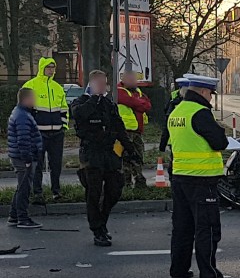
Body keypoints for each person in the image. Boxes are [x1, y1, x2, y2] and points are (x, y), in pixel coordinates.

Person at [167, 75, 232, 278]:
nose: (211, 99)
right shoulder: (200, 113)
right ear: (203, 92)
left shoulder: (177, 111)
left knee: (182, 227)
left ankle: (178, 269)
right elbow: (219, 142)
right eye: (211, 94)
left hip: (180, 177)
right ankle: (209, 274)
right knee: (207, 228)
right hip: (202, 180)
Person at [71, 70, 141, 247]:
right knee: (93, 193)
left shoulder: (108, 104)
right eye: (100, 84)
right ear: (92, 84)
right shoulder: (81, 102)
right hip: (91, 153)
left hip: (109, 153)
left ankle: (101, 222)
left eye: (105, 83)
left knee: (115, 188)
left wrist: (130, 149)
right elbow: (80, 115)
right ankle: (98, 230)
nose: (104, 87)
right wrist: (94, 97)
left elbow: (119, 127)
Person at [22, 57, 68, 203]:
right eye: (48, 67)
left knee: (56, 164)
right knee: (37, 164)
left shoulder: (58, 87)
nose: (51, 70)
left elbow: (64, 109)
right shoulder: (30, 86)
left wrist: (63, 127)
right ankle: (37, 193)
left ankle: (56, 192)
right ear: (42, 68)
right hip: (38, 134)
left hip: (56, 134)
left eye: (53, 67)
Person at [7, 88, 43, 229]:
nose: (35, 101)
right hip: (23, 158)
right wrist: (28, 159)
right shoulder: (22, 116)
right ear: (26, 99)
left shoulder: (21, 113)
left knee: (21, 186)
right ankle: (22, 218)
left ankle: (14, 216)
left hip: (19, 156)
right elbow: (23, 139)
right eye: (33, 98)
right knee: (24, 188)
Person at [117, 71, 152, 188]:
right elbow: (131, 102)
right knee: (125, 157)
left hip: (137, 130)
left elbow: (147, 105)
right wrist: (138, 103)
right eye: (131, 80)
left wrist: (137, 103)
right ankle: (126, 184)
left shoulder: (137, 91)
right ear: (123, 80)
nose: (134, 82)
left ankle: (139, 182)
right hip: (124, 131)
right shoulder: (119, 91)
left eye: (134, 80)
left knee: (138, 156)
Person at [160, 77, 191, 179]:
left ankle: (176, 185)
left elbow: (167, 123)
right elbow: (167, 122)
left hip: (176, 140)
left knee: (175, 165)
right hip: (181, 140)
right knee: (178, 166)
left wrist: (162, 144)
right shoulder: (175, 101)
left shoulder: (174, 99)